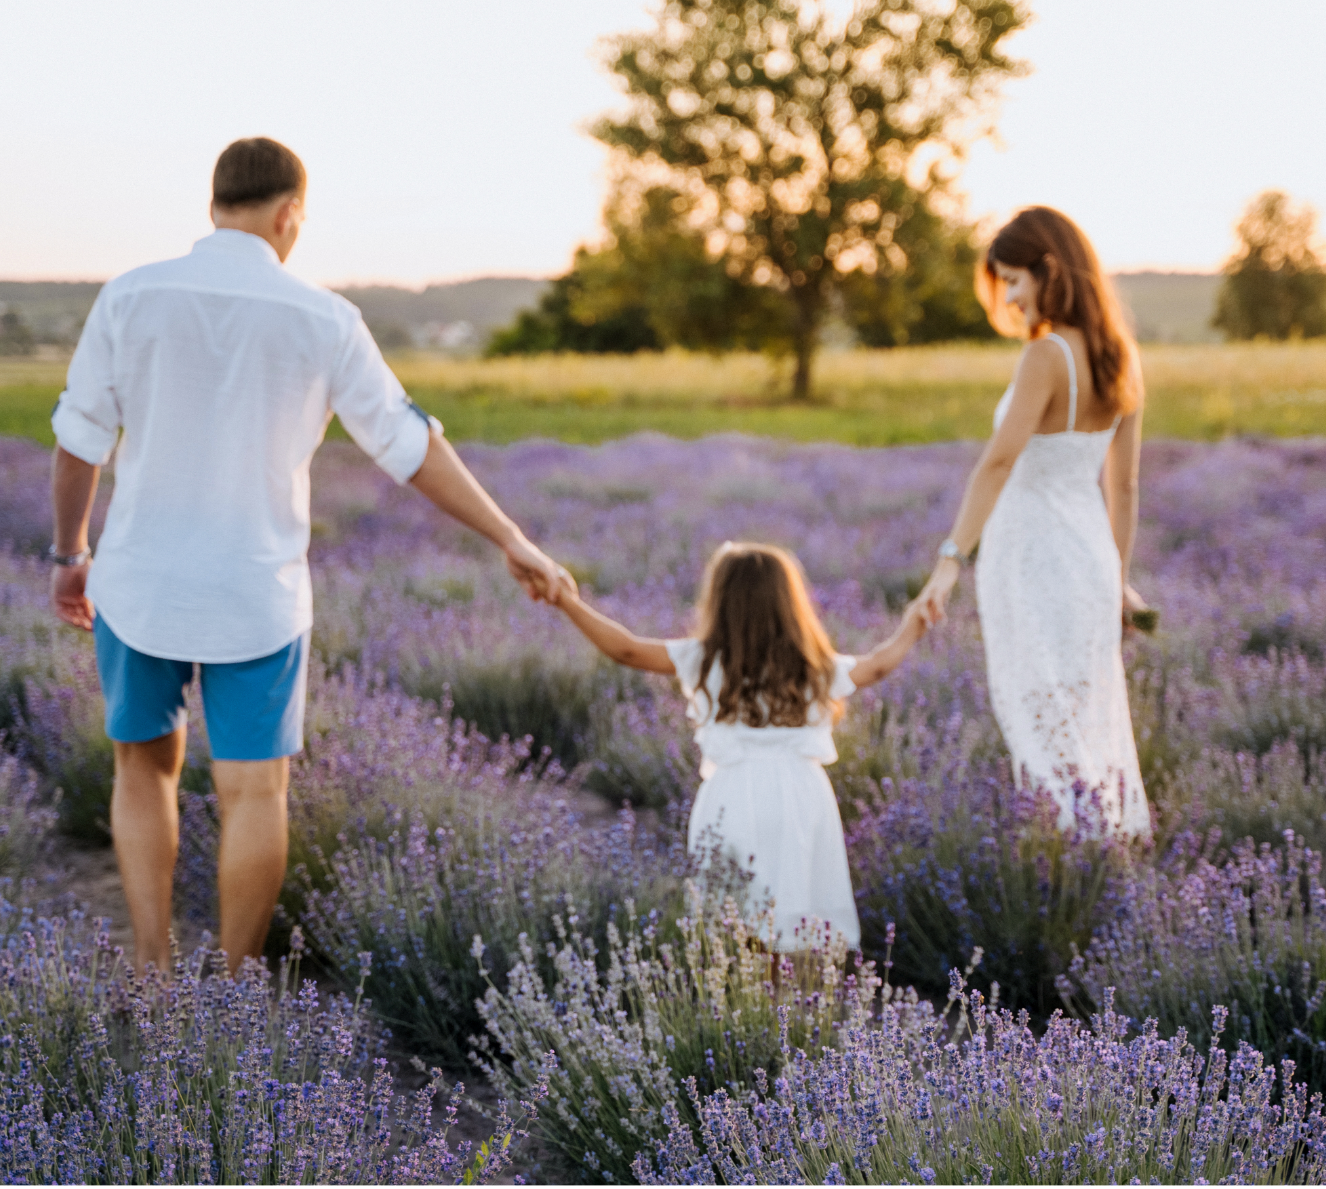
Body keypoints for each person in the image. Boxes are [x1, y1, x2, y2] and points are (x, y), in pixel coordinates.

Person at [48, 137, 571, 975]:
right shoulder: (325, 318)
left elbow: (79, 441)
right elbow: (410, 447)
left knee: (143, 768)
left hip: (139, 582)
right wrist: (510, 537)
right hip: (258, 594)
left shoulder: (128, 297)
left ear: (214, 202)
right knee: (256, 789)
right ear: (290, 213)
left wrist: (68, 552)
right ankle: (233, 984)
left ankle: (151, 969)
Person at [545, 541, 929, 949]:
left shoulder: (703, 658)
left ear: (719, 600)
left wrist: (568, 601)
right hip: (802, 794)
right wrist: (913, 623)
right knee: (800, 911)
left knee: (736, 920)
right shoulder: (815, 666)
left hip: (732, 794)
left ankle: (749, 1001)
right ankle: (797, 1002)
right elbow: (880, 663)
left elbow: (625, 648)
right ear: (791, 603)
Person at [913, 206, 1152, 837]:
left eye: (1015, 279)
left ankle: (1067, 861)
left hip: (1030, 558)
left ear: (1051, 270)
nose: (1011, 298)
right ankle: (1107, 857)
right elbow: (1122, 485)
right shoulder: (1121, 357)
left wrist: (948, 562)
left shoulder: (1047, 356)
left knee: (1038, 716)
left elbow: (995, 466)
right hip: (1091, 558)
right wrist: (1118, 579)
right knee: (1086, 714)